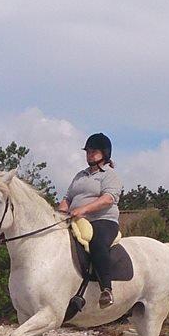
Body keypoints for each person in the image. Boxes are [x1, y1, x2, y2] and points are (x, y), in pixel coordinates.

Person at [57, 132, 122, 308]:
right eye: (88, 151)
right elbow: (67, 198)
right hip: (75, 219)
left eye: (94, 151)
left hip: (102, 220)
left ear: (105, 153)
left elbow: (108, 198)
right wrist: (60, 212)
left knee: (97, 243)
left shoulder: (110, 175)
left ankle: (106, 289)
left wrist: (83, 209)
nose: (90, 154)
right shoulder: (80, 175)